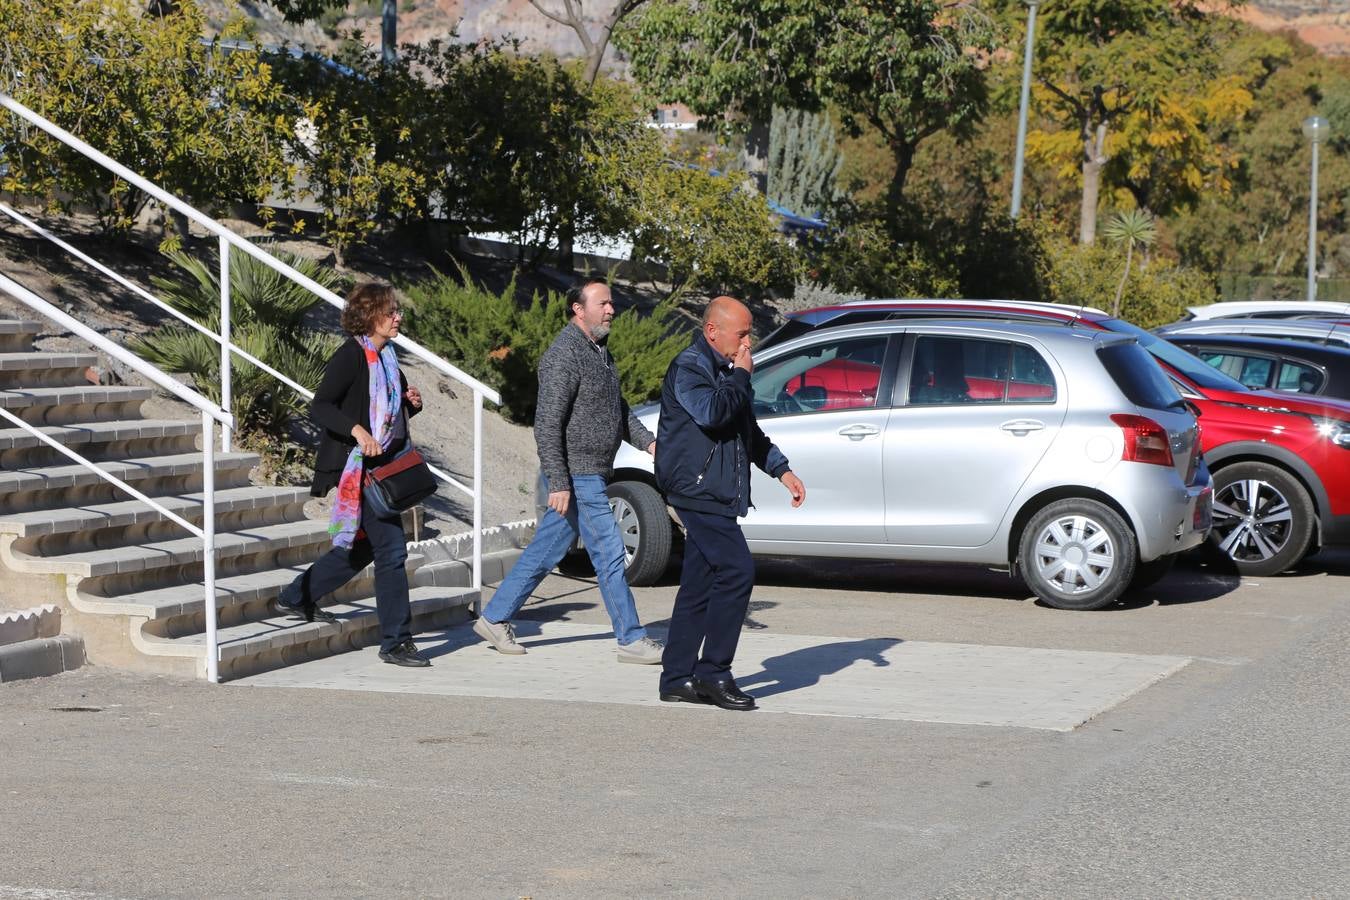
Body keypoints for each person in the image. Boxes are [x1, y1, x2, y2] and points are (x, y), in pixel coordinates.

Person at [471, 278, 665, 664]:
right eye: (604, 304)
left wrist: (649, 443)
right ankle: (630, 637)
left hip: (589, 471)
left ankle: (494, 617)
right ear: (579, 309)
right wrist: (558, 481)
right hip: (578, 474)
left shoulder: (598, 351)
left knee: (547, 550)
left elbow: (618, 409)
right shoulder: (564, 355)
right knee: (610, 551)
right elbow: (546, 424)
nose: (612, 310)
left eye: (611, 304)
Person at [655, 296, 805, 711]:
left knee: (699, 586)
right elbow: (713, 414)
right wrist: (740, 375)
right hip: (696, 490)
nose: (747, 344)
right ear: (712, 331)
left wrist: (781, 470)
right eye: (741, 334)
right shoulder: (690, 367)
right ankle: (713, 673)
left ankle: (676, 677)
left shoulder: (726, 369)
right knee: (738, 572)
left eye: (748, 335)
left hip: (716, 492)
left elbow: (745, 430)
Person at [270, 282, 430, 668]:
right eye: (391, 311)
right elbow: (321, 406)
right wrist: (358, 431)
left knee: (360, 550)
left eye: (397, 311)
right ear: (370, 316)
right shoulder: (351, 357)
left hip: (385, 466)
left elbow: (392, 415)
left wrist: (412, 404)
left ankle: (296, 596)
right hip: (356, 468)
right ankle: (395, 641)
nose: (398, 318)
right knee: (392, 550)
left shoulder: (389, 360)